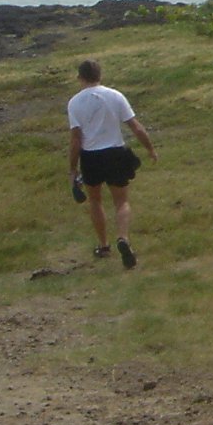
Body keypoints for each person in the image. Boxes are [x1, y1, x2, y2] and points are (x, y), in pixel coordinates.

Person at [67, 59, 157, 268]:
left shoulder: (74, 102)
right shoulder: (115, 96)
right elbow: (135, 126)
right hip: (115, 152)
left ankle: (104, 245)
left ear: (80, 78)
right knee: (121, 202)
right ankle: (123, 238)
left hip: (91, 156)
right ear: (100, 75)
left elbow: (75, 139)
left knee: (95, 201)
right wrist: (150, 149)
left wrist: (72, 168)